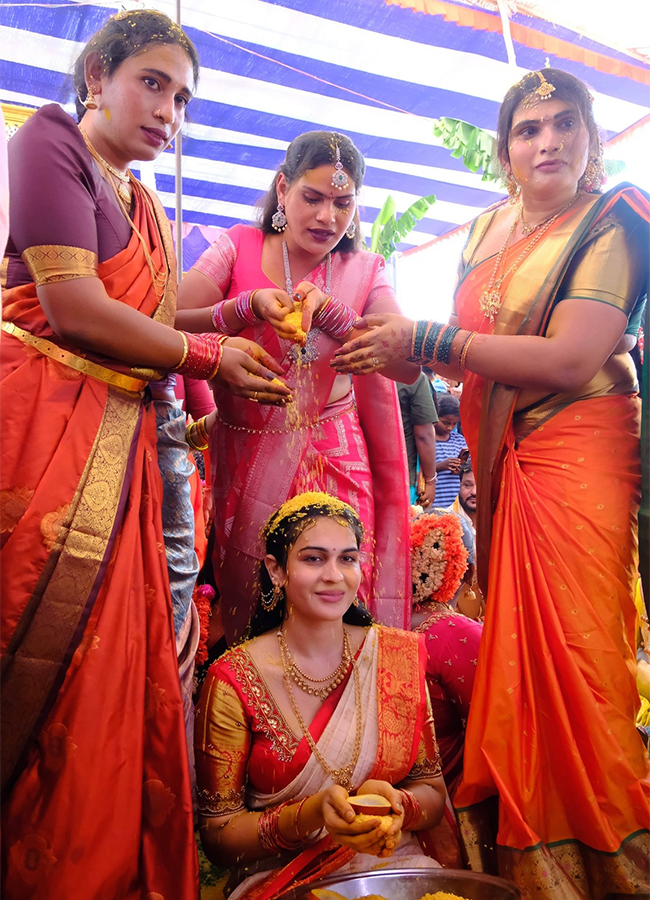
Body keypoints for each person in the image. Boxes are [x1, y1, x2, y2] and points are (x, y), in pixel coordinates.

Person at [330, 68, 650, 898]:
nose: (547, 142)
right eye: (528, 129)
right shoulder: (482, 233)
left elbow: (574, 356)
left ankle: (616, 859)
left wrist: (432, 339)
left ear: (589, 138)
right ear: (505, 150)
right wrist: (385, 346)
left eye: (564, 124)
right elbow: (442, 352)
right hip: (502, 461)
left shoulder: (617, 216)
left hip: (578, 449)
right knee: (521, 656)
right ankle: (533, 858)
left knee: (577, 655)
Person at [0, 11, 291, 899]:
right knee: (49, 643)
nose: (170, 110)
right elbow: (80, 309)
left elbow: (151, 326)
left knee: (124, 660)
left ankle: (102, 851)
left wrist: (235, 317)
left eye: (184, 98)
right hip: (46, 430)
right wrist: (208, 357)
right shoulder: (45, 144)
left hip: (120, 440)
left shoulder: (139, 200)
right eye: (153, 83)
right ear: (97, 76)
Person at [177, 132, 419, 641]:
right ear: (283, 189)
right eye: (312, 198)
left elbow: (407, 363)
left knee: (336, 603)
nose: (328, 217)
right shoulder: (237, 246)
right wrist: (239, 309)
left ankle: (339, 718)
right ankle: (263, 716)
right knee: (259, 607)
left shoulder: (365, 269)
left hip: (337, 459)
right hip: (245, 454)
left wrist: (333, 313)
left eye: (342, 203)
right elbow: (163, 322)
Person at [195, 492, 447, 900]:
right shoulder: (234, 678)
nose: (335, 575)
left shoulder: (395, 657)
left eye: (347, 559)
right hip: (289, 881)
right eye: (314, 559)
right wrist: (311, 815)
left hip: (396, 870)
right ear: (277, 571)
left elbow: (432, 793)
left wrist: (397, 805)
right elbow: (219, 835)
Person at [410, 510, 482, 799]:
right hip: (446, 799)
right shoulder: (459, 633)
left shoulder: (384, 618)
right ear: (472, 571)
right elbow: (495, 727)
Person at [397, 371, 438, 507]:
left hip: (365, 472)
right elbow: (424, 435)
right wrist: (431, 480)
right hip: (404, 476)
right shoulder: (413, 378)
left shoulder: (362, 374)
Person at [433, 393, 468, 506]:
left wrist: (461, 470)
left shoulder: (459, 440)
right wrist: (439, 466)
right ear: (434, 416)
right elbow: (418, 471)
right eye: (445, 423)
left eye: (454, 424)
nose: (450, 428)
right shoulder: (426, 441)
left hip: (456, 502)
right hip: (436, 501)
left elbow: (469, 469)